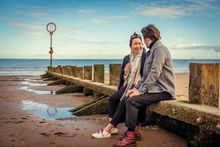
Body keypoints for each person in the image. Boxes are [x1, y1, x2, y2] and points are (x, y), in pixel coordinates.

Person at [113, 24, 176, 147]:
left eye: (144, 39)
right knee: (129, 96)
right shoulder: (151, 51)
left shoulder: (160, 49)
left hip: (164, 90)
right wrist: (136, 89)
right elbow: (146, 75)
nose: (143, 42)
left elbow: (154, 73)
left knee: (132, 101)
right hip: (154, 89)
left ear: (147, 38)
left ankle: (131, 135)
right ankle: (135, 131)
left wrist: (141, 91)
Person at [92, 32, 147, 139]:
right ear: (130, 46)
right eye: (135, 44)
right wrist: (121, 86)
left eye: (140, 43)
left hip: (139, 86)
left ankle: (133, 127)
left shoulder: (146, 57)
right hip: (128, 85)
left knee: (125, 101)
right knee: (113, 99)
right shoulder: (127, 58)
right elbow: (122, 76)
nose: (138, 46)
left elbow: (147, 75)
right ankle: (114, 127)